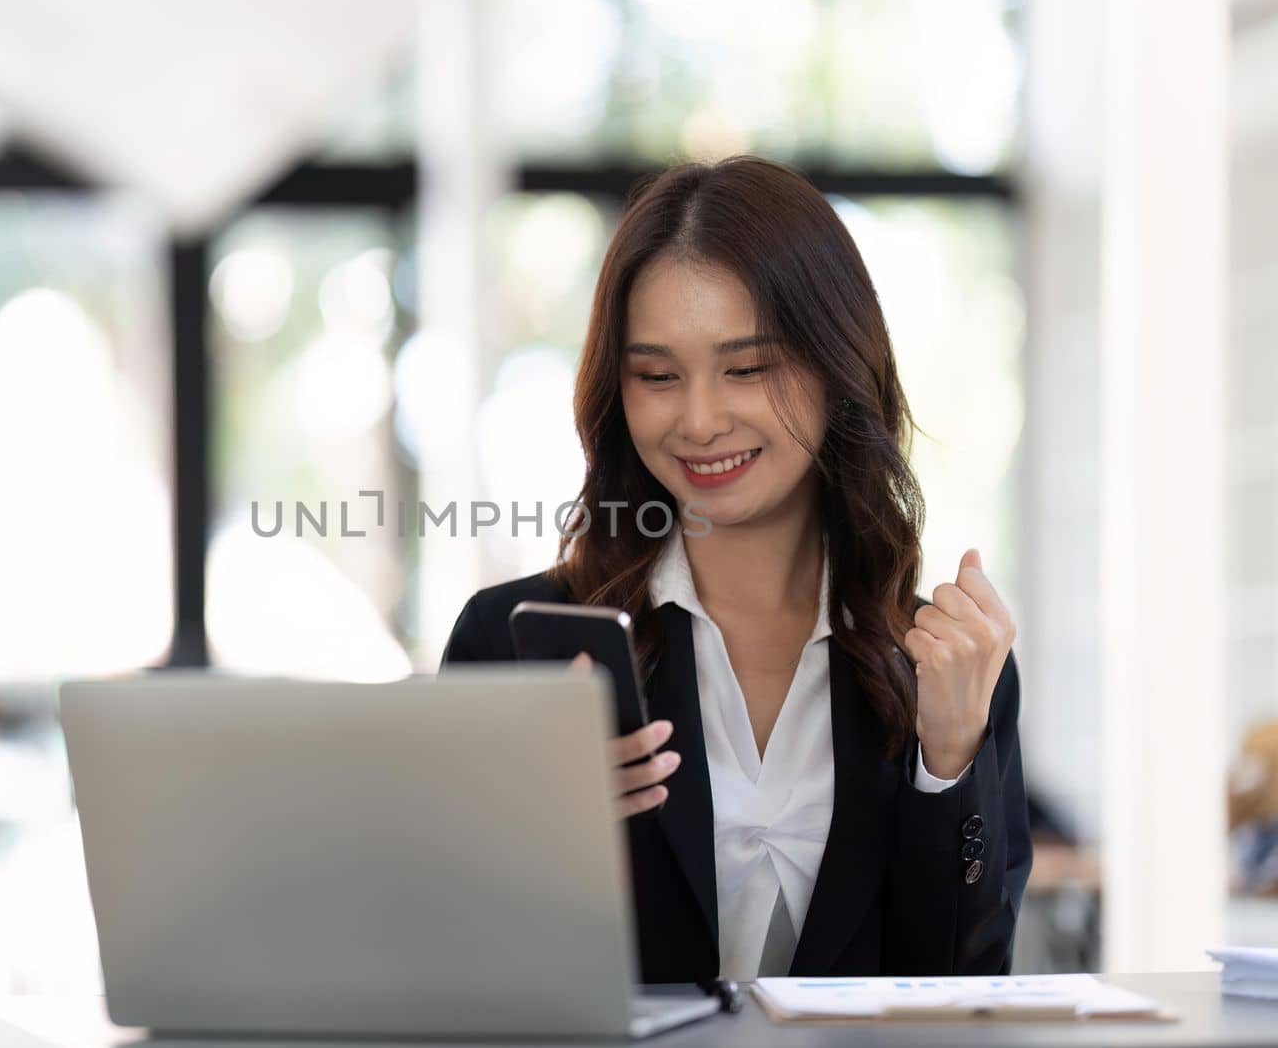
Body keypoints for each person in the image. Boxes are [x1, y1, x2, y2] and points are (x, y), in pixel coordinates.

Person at [440, 155, 1030, 984]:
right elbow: (447, 970)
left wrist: (949, 764)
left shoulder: (944, 665)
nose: (701, 418)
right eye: (656, 375)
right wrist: (532, 839)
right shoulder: (511, 646)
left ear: (838, 363)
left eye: (748, 368)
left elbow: (963, 993)